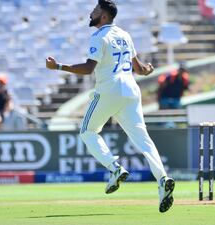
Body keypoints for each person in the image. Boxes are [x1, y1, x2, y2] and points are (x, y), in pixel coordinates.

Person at [45, 0, 174, 213]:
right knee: (143, 139)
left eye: (95, 10)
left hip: (110, 88)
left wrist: (58, 66)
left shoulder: (99, 36)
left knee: (87, 131)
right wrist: (148, 70)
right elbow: (139, 68)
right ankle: (163, 178)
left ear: (104, 16)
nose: (91, 13)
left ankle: (114, 169)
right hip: (131, 90)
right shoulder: (125, 35)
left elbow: (88, 69)